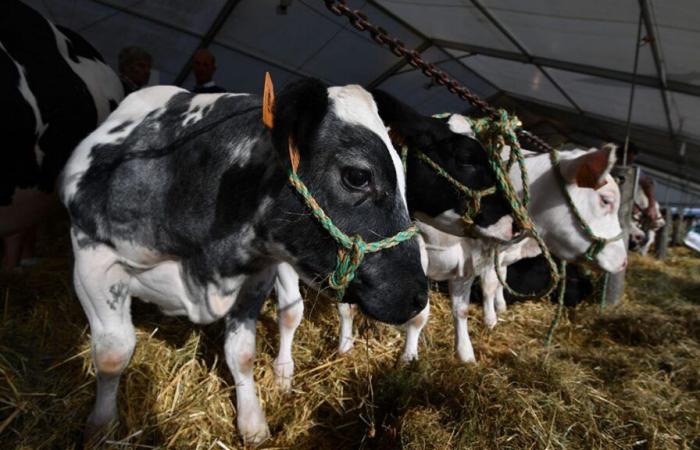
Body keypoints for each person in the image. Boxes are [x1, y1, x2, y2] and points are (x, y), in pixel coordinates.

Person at [619, 142, 658, 221]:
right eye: (627, 159)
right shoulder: (609, 166)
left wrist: (651, 206)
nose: (628, 163)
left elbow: (648, 184)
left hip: (625, 208)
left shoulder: (634, 172)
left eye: (630, 160)